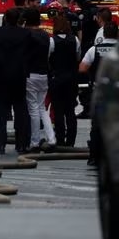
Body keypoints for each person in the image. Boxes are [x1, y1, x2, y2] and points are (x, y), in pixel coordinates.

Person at [0, 8, 31, 154]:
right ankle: (21, 143)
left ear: (4, 18)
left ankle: (1, 144)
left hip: (0, 76)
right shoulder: (25, 34)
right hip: (18, 76)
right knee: (20, 111)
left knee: (1, 112)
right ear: (18, 20)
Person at [80, 21, 119, 166]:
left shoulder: (94, 49)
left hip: (99, 91)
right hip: (118, 93)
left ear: (103, 34)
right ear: (117, 34)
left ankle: (94, 156)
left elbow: (82, 68)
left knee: (97, 125)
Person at [23, 8, 56, 152]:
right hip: (44, 74)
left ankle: (35, 142)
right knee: (42, 108)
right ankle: (51, 138)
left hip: (31, 74)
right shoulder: (46, 36)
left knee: (33, 109)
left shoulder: (26, 35)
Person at [50, 14, 81, 147]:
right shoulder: (75, 40)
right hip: (71, 79)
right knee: (70, 110)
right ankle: (71, 141)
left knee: (58, 111)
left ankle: (60, 139)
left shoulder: (52, 41)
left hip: (57, 79)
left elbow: (48, 59)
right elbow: (78, 57)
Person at [73, 0, 100, 120]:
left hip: (87, 49)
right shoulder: (97, 11)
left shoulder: (84, 15)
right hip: (98, 49)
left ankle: (87, 106)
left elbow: (80, 32)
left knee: (84, 79)